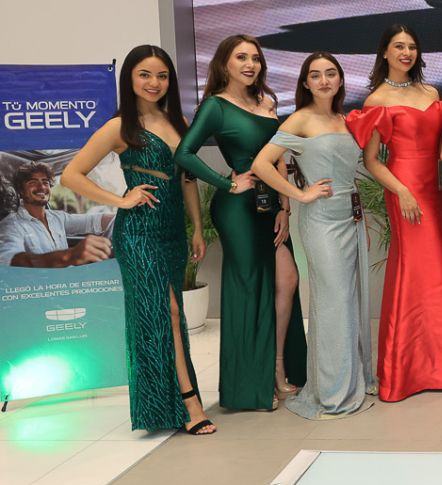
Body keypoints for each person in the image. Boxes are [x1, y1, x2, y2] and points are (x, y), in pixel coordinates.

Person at [60, 45, 214, 434]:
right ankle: (188, 403)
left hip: (172, 231)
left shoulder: (178, 121)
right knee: (167, 312)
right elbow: (71, 175)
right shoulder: (118, 127)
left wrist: (197, 227)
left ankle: (160, 405)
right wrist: (121, 200)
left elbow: (187, 179)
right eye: (144, 74)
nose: (154, 83)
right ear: (129, 78)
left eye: (161, 76)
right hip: (139, 232)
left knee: (165, 315)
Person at [176, 34, 307, 411]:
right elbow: (184, 153)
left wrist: (285, 206)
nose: (250, 64)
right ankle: (250, 386)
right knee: (249, 290)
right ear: (225, 63)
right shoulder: (215, 106)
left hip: (271, 205)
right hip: (237, 209)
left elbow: (278, 156)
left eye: (256, 58)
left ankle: (277, 367)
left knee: (287, 280)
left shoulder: (266, 102)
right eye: (241, 57)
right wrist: (227, 184)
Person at [252, 52, 376, 418]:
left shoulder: (344, 119)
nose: (324, 81)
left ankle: (343, 381)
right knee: (334, 301)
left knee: (346, 301)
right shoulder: (300, 119)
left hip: (350, 217)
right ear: (305, 82)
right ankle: (334, 393)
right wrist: (300, 195)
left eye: (331, 74)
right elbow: (261, 163)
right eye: (316, 75)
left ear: (341, 79)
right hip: (321, 220)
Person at [344, 24, 442, 401]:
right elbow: (371, 161)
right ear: (385, 52)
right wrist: (402, 191)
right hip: (404, 190)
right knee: (411, 272)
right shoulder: (377, 99)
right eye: (398, 46)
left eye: (411, 46)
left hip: (433, 190)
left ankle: (441, 369)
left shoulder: (431, 93)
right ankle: (402, 373)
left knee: (438, 276)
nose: (406, 53)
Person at [0, 162, 114, 267]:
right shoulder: (11, 224)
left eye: (45, 182)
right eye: (33, 182)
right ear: (21, 190)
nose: (42, 187)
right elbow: (9, 261)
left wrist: (121, 218)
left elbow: (94, 221)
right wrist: (69, 256)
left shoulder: (58, 218)